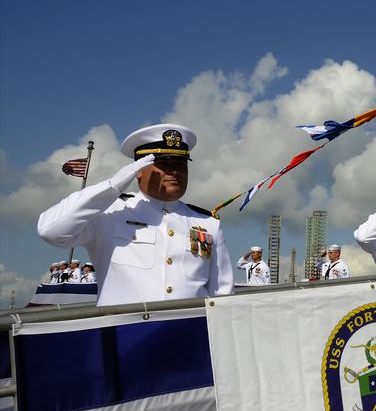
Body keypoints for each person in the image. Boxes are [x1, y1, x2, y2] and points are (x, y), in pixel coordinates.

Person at [37, 123, 234, 306]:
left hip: (190, 336)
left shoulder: (207, 223)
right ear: (138, 170)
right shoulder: (110, 212)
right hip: (124, 336)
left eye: (181, 164)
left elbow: (222, 295)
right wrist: (111, 187)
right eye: (164, 164)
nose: (175, 171)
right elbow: (50, 231)